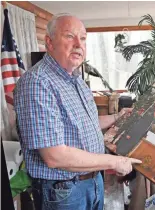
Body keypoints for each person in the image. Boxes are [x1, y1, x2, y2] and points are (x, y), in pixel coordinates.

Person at [13, 13, 141, 210]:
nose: (78, 44)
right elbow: (55, 156)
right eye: (69, 36)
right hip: (64, 192)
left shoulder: (76, 80)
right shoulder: (37, 82)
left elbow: (85, 124)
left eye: (82, 38)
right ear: (49, 42)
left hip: (92, 181)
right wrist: (114, 162)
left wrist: (117, 117)